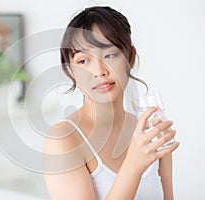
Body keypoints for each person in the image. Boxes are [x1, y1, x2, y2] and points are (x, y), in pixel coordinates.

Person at [43, 6, 179, 200]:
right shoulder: (64, 139)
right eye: (83, 61)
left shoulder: (149, 133)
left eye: (110, 55)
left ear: (130, 57)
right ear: (71, 70)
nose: (99, 71)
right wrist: (133, 166)